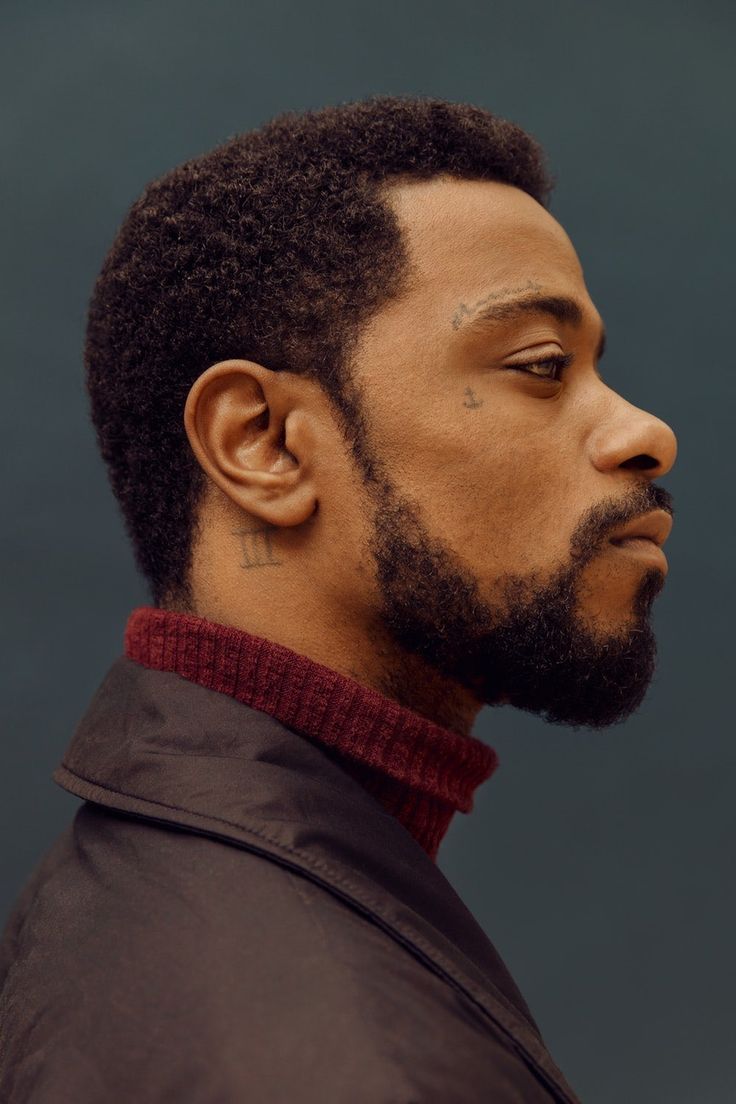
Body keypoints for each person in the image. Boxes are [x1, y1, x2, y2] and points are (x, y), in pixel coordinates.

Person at [0, 95, 676, 1102]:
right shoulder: (317, 1052)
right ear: (262, 444)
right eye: (540, 366)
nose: (644, 433)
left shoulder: (135, 899)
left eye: (595, 369)